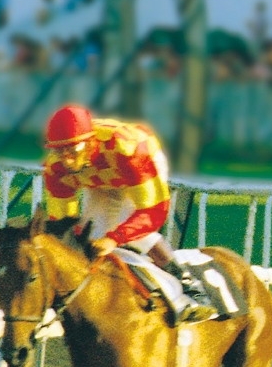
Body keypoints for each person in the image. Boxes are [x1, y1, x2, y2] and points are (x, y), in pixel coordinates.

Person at [41, 104, 216, 323]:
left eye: (72, 150)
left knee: (134, 232)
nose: (66, 160)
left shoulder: (129, 151)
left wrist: (115, 239)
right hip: (99, 177)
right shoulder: (55, 169)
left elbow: (153, 212)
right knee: (91, 234)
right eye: (59, 151)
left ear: (90, 141)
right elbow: (64, 224)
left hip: (137, 166)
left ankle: (191, 287)